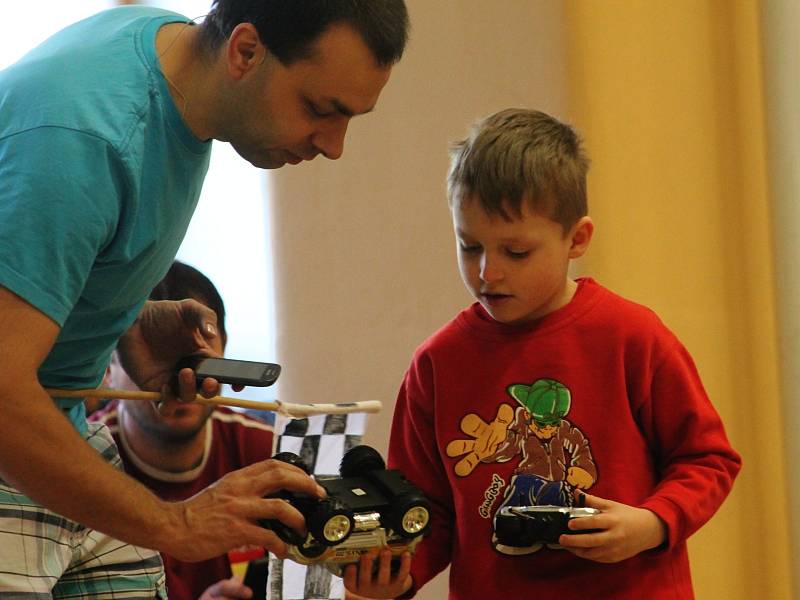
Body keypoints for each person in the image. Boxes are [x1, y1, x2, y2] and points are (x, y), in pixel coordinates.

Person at [0, 1, 409, 596]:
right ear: (245, 50)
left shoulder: (165, 53)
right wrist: (179, 522)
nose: (334, 144)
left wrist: (121, 320)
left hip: (49, 424)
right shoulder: (86, 138)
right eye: (321, 109)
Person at [343, 108, 742, 599]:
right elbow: (428, 511)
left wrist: (653, 523)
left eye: (516, 252)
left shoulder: (632, 337)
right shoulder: (436, 364)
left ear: (576, 239)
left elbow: (708, 459)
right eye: (469, 247)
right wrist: (397, 577)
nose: (488, 273)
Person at [91, 260, 275, 600]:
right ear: (108, 366)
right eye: (156, 355)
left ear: (224, 349)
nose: (180, 381)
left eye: (195, 358)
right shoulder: (79, 462)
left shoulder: (265, 453)